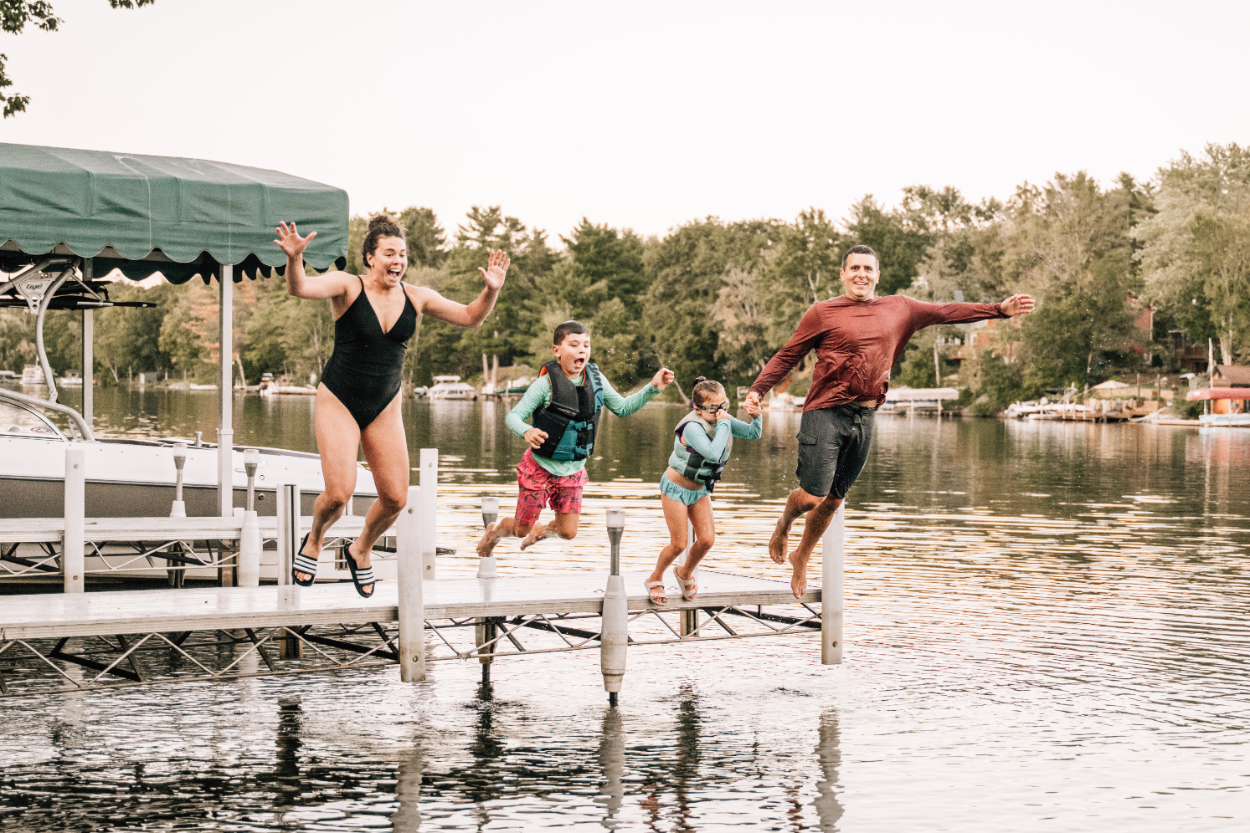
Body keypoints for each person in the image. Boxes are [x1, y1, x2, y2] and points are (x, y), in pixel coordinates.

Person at [745, 244, 1035, 598]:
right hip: (824, 412)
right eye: (854, 269)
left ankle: (801, 556)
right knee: (811, 497)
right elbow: (789, 354)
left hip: (865, 416)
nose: (861, 275)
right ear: (843, 273)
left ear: (877, 275)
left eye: (868, 269)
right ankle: (783, 523)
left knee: (834, 500)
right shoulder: (822, 312)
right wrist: (758, 390)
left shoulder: (901, 307)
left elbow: (947, 311)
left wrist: (998, 310)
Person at [275, 214, 509, 596]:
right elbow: (300, 288)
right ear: (370, 257)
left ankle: (360, 548)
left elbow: (470, 317)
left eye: (402, 254)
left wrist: (491, 290)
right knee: (338, 495)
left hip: (383, 405)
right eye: (389, 253)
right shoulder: (347, 286)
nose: (397, 261)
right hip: (339, 399)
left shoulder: (417, 297)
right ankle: (315, 539)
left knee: (396, 498)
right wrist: (294, 258)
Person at [476, 320, 675, 557]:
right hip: (539, 467)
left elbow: (622, 408)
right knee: (520, 529)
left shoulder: (596, 379)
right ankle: (494, 533)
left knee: (568, 532)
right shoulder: (544, 385)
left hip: (572, 471)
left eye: (586, 345)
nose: (582, 350)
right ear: (557, 350)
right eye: (574, 344)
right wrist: (526, 431)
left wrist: (652, 387)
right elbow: (513, 417)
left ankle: (538, 533)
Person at [644, 377, 762, 604]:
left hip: (699, 491)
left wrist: (756, 417)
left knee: (707, 540)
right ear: (697, 409)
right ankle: (655, 577)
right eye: (714, 408)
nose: (721, 413)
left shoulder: (722, 420)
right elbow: (712, 453)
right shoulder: (693, 427)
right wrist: (726, 423)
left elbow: (753, 434)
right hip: (676, 488)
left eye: (724, 406)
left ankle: (684, 572)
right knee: (678, 544)